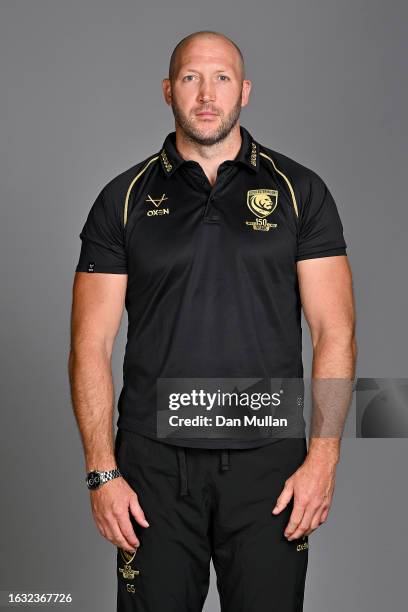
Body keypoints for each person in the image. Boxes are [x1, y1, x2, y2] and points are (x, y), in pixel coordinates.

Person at [68, 29, 357, 612]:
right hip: (152, 469)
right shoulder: (121, 199)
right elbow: (88, 348)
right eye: (191, 78)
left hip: (269, 467)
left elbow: (336, 333)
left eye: (222, 78)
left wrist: (323, 460)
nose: (206, 93)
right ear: (168, 90)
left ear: (244, 91)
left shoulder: (301, 192)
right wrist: (102, 474)